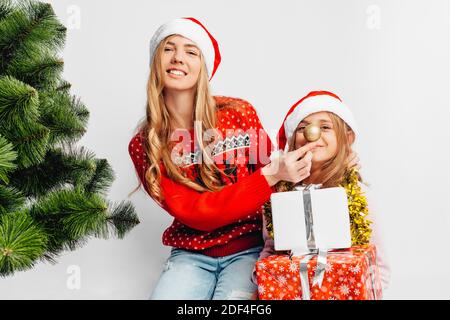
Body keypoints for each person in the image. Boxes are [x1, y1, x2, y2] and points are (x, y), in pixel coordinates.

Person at [128, 17, 322, 300]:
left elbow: (280, 176)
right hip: (189, 255)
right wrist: (270, 176)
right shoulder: (145, 144)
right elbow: (196, 212)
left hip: (249, 248)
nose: (178, 57)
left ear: (203, 67)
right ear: (156, 61)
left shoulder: (239, 113)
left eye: (191, 51)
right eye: (169, 49)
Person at [253, 90, 391, 296]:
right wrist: (262, 282)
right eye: (303, 128)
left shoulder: (357, 195)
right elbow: (270, 251)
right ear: (293, 141)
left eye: (325, 127)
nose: (313, 133)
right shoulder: (279, 196)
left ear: (346, 137)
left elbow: (377, 264)